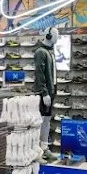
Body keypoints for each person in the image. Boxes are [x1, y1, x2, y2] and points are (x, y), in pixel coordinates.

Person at [34, 27, 58, 155]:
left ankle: (44, 147)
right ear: (48, 35)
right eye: (55, 34)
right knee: (41, 119)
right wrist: (44, 93)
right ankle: (38, 148)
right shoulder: (41, 52)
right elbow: (40, 74)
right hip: (45, 92)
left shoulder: (49, 52)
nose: (57, 37)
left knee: (47, 119)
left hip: (51, 90)